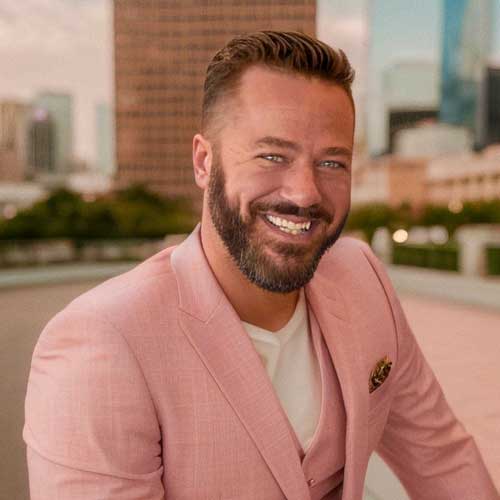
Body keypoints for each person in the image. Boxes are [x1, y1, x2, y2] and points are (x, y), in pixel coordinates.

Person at [24, 31, 498, 500]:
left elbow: (440, 456)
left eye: (332, 163)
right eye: (273, 155)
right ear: (204, 162)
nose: (305, 193)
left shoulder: (361, 274)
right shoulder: (101, 342)